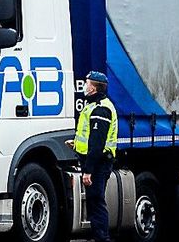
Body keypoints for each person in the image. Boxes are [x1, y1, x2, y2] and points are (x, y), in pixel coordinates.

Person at [72, 71, 118, 242]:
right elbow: (90, 135)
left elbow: (97, 143)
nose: (84, 85)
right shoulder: (93, 106)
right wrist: (76, 144)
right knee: (94, 201)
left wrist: (88, 170)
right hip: (96, 162)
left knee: (96, 201)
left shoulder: (101, 108)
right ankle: (99, 236)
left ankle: (102, 238)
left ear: (94, 87)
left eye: (87, 83)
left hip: (99, 164)